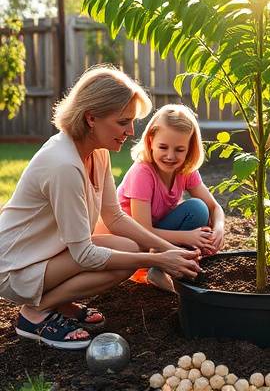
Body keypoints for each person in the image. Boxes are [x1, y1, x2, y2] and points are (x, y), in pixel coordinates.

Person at [0, 66, 202, 350]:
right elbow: (84, 254)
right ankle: (35, 315)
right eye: (123, 122)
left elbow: (115, 216)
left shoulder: (98, 152)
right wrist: (158, 260)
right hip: (16, 267)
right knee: (128, 259)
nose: (131, 132)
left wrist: (164, 249)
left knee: (131, 247)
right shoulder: (64, 164)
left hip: (47, 253)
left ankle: (60, 303)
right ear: (91, 117)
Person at [106, 104, 224, 290]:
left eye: (179, 149)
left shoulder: (185, 170)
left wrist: (219, 228)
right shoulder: (142, 173)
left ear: (189, 148)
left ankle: (175, 266)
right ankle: (155, 268)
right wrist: (187, 237)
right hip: (129, 242)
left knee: (198, 209)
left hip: (156, 235)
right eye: (163, 147)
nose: (170, 156)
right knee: (195, 222)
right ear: (151, 141)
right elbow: (142, 229)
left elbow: (213, 207)